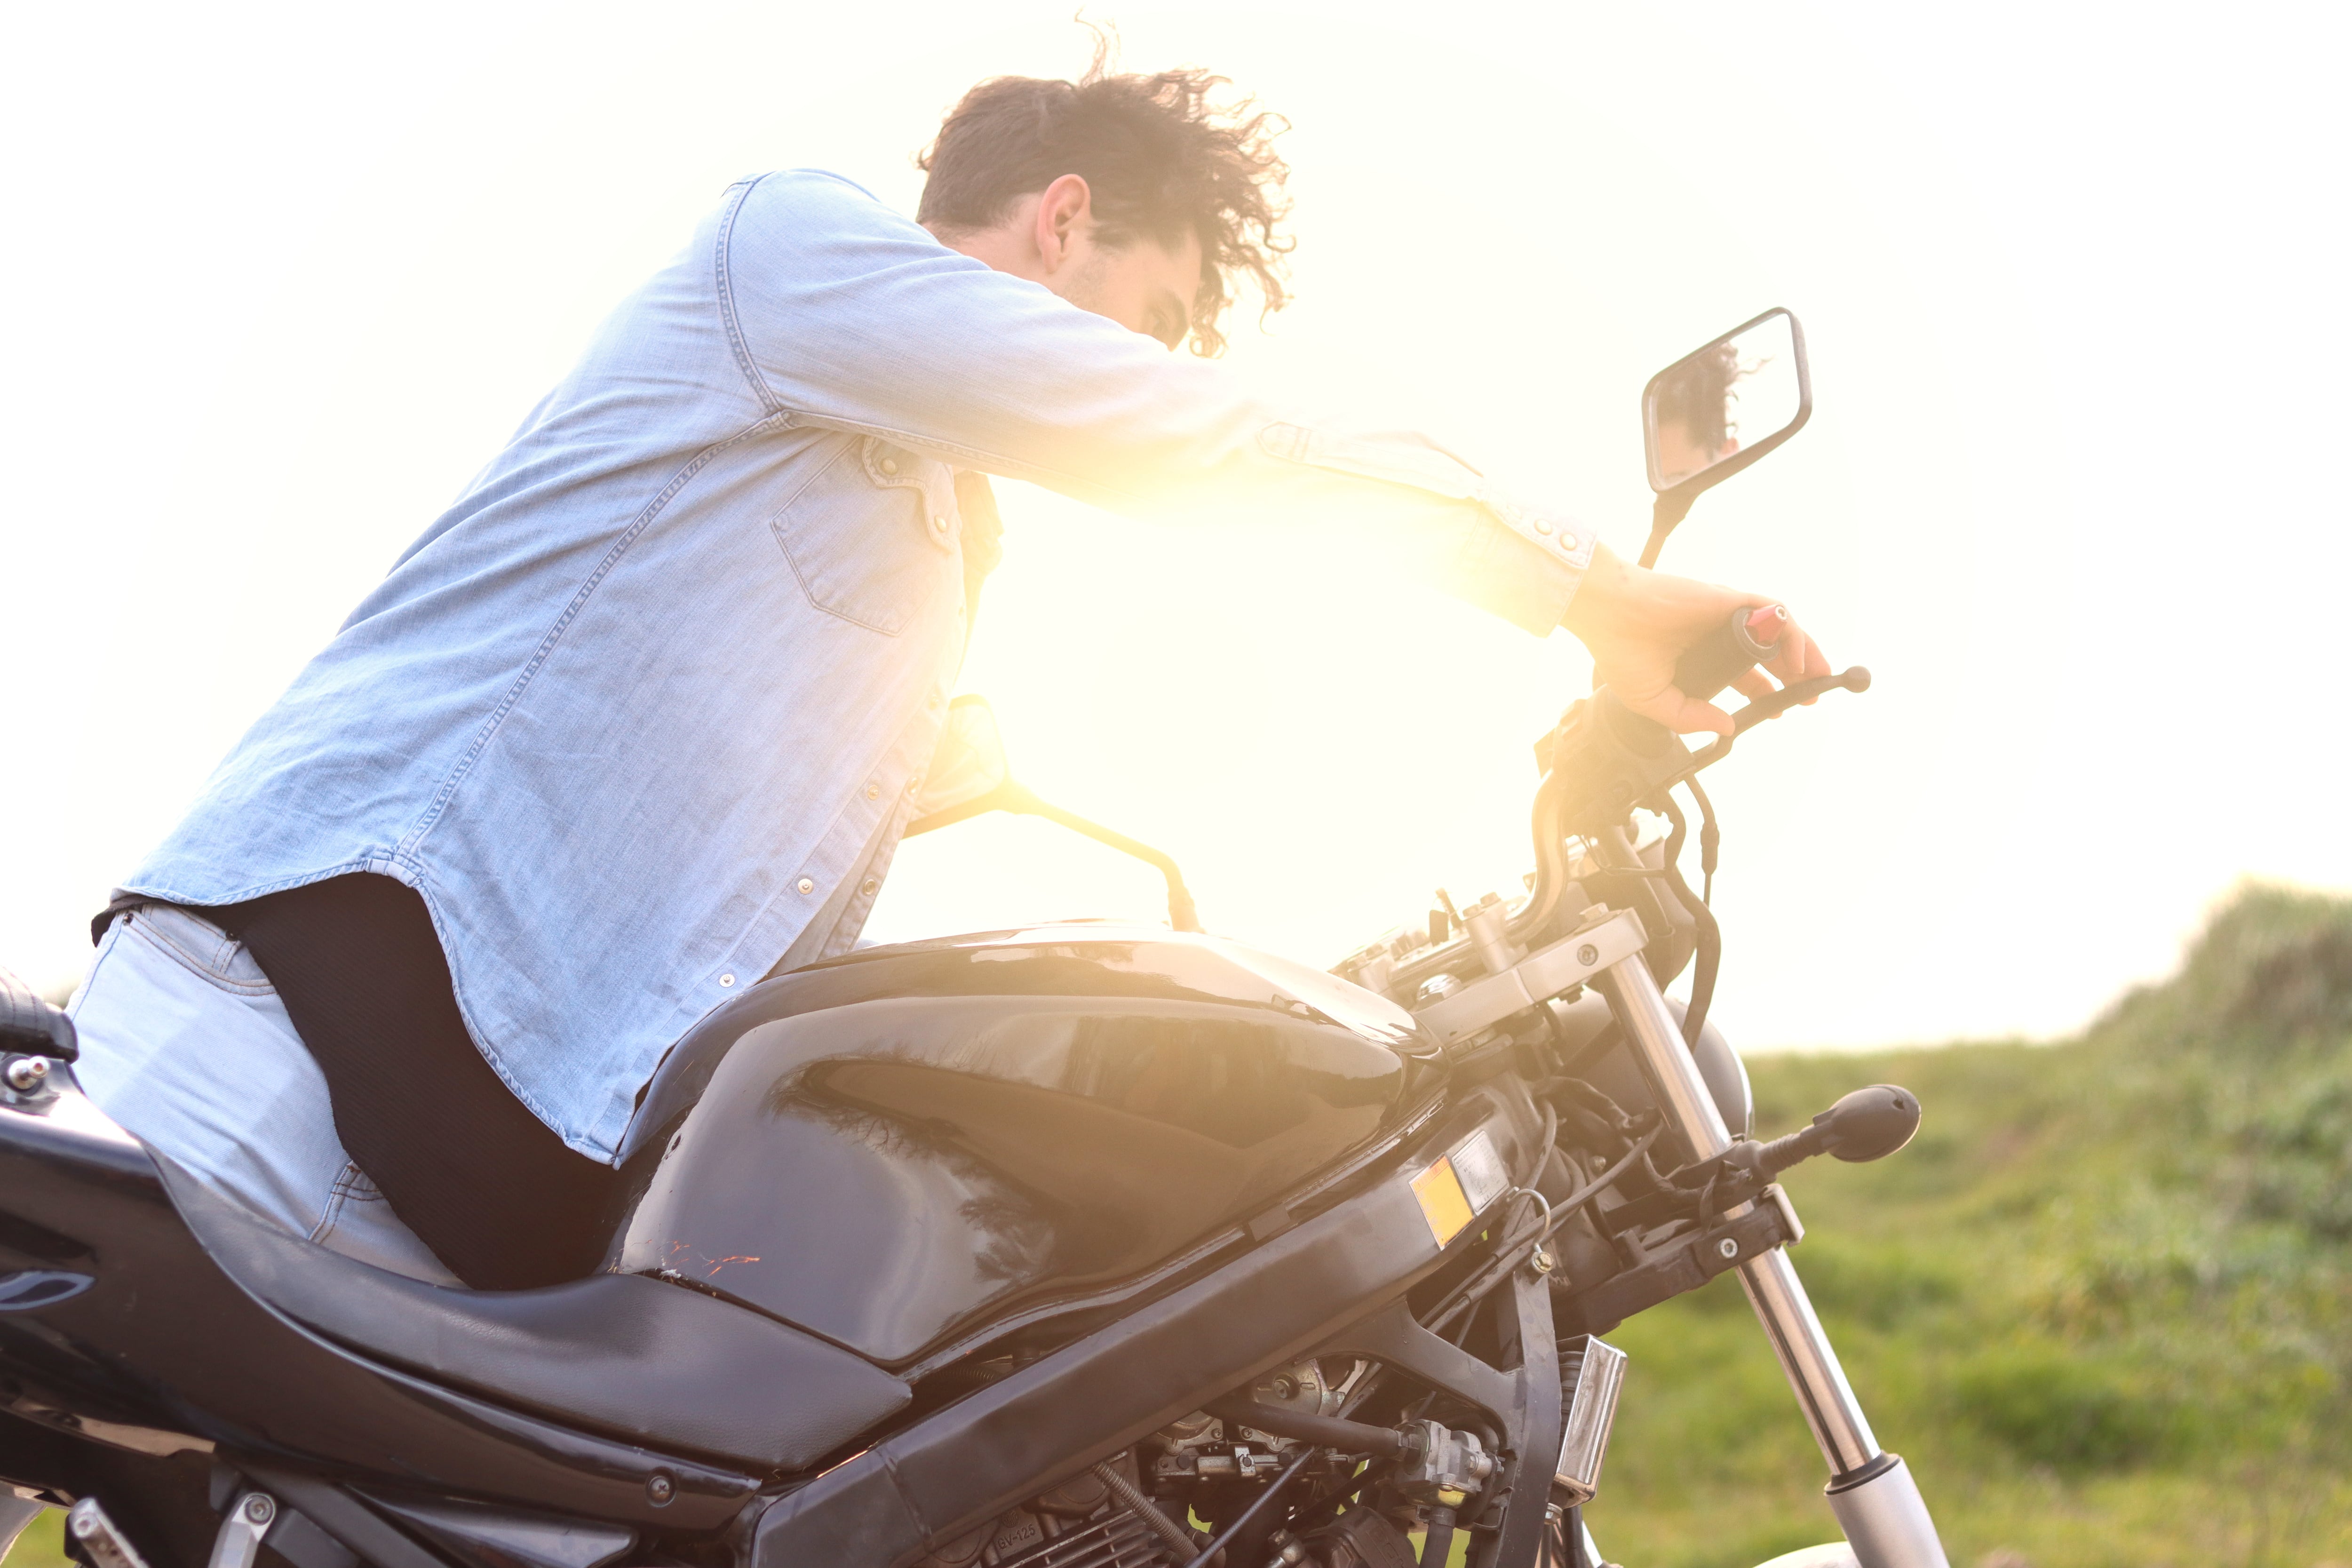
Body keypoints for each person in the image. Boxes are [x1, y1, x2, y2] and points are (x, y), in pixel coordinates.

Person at [67, 50, 1830, 1291]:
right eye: (1154, 308)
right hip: (293, 1034)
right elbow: (1213, 448)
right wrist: (1595, 592)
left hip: (493, 1148)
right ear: (1063, 219)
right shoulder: (790, 252)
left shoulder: (931, 552)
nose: (1146, 357)